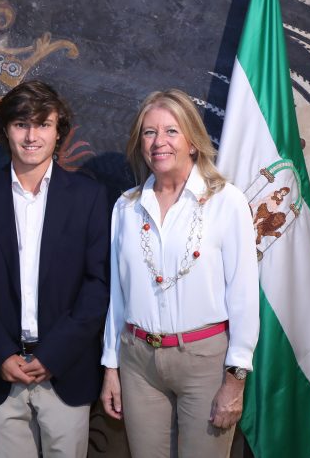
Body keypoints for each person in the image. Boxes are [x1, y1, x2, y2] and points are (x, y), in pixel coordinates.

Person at [0, 80, 110, 458]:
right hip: (1, 372)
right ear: (5, 129)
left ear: (58, 131)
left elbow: (98, 284)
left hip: (65, 371)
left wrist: (54, 354)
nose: (32, 136)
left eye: (43, 124)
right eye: (21, 124)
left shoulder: (89, 198)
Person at [100, 89, 259, 458]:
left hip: (204, 362)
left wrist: (236, 378)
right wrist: (111, 366)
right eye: (149, 132)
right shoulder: (126, 207)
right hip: (138, 363)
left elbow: (244, 296)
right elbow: (117, 296)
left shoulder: (227, 201)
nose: (159, 142)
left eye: (171, 131)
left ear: (193, 141)